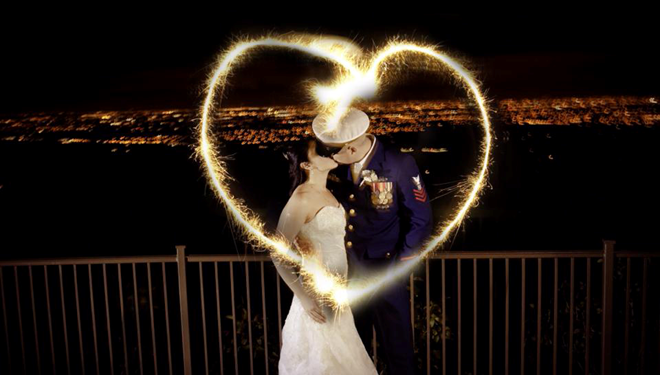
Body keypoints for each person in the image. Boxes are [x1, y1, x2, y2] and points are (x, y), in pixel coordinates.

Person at [313, 108, 434, 375]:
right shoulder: (337, 170)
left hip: (385, 272)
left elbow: (421, 219)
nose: (331, 156)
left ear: (352, 150)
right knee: (355, 352)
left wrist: (400, 266)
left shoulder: (398, 164)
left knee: (399, 353)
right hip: (348, 274)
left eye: (336, 151)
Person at [275, 138, 378, 375]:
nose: (327, 154)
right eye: (318, 152)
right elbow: (277, 252)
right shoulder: (302, 198)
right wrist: (304, 298)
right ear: (306, 166)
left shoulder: (329, 193)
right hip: (316, 299)